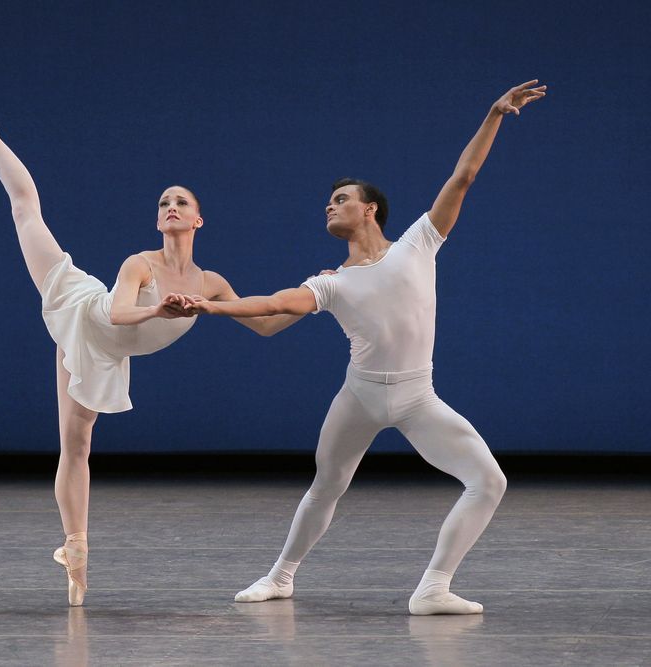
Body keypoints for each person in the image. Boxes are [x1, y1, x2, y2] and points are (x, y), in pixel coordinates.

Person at [184, 80, 546, 614]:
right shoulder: (331, 282)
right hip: (359, 397)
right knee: (327, 484)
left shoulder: (418, 243)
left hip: (418, 397)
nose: (329, 207)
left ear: (370, 209)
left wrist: (493, 114)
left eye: (341, 199)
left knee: (489, 481)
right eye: (328, 202)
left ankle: (433, 588)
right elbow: (275, 304)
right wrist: (211, 306)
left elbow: (463, 176)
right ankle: (280, 577)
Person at [0, 78, 302, 606]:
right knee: (26, 208)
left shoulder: (211, 283)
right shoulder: (141, 263)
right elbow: (117, 314)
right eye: (164, 202)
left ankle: (75, 549)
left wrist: (318, 297)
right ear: (158, 219)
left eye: (181, 202)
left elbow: (265, 324)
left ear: (198, 219)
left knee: (78, 446)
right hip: (82, 306)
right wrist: (158, 308)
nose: (170, 206)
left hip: (108, 354)